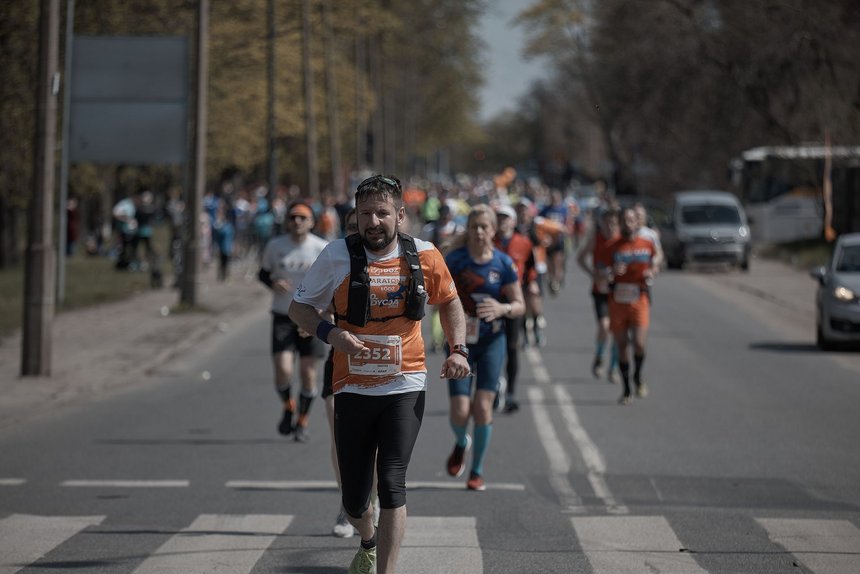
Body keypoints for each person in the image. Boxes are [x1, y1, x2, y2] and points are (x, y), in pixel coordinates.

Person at [288, 175, 469, 574]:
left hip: (406, 381)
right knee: (354, 500)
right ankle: (367, 539)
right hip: (352, 386)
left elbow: (450, 301)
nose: (373, 222)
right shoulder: (336, 255)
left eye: (382, 213)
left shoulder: (425, 254)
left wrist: (458, 349)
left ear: (400, 215)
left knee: (391, 481)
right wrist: (333, 334)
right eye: (366, 213)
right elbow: (298, 309)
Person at [444, 204, 525, 490]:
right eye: (474, 227)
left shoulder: (503, 263)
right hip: (460, 342)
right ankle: (461, 441)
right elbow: (439, 295)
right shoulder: (455, 260)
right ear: (468, 230)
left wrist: (503, 308)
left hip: (492, 340)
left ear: (493, 231)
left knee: (482, 407)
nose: (479, 232)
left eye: (484, 227)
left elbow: (519, 304)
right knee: (460, 410)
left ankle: (476, 470)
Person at [258, 201, 329, 442]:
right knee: (283, 369)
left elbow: (332, 282)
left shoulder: (321, 248)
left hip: (311, 317)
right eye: (293, 217)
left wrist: (322, 309)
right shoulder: (275, 246)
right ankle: (289, 405)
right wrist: (273, 283)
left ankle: (302, 421)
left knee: (308, 374)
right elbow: (263, 273)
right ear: (287, 221)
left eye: (302, 217)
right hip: (283, 315)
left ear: (311, 222)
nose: (297, 222)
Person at [608, 208, 658, 405]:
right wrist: (612, 271)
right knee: (622, 346)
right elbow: (600, 273)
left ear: (637, 222)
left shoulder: (647, 243)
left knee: (639, 344)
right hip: (617, 301)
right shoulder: (612, 246)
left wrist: (652, 271)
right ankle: (627, 389)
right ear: (619, 223)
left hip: (639, 299)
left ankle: (637, 375)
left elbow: (656, 261)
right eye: (624, 220)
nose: (628, 223)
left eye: (631, 220)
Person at [493, 204, 536, 413]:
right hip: (492, 299)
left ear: (513, 221)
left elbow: (531, 268)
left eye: (506, 218)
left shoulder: (524, 242)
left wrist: (532, 283)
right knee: (491, 345)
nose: (502, 221)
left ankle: (510, 393)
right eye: (499, 217)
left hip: (513, 301)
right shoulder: (488, 241)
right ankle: (493, 386)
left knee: (512, 346)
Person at [577, 208, 621, 383]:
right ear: (602, 223)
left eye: (614, 223)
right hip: (600, 290)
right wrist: (592, 273)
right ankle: (600, 356)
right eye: (607, 223)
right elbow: (580, 258)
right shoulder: (596, 239)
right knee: (604, 325)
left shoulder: (621, 240)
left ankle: (614, 367)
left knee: (618, 331)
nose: (610, 227)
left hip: (619, 291)